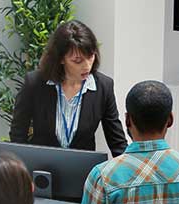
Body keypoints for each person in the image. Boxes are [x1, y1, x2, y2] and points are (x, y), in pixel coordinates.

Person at [9, 20, 127, 157]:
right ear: (60, 59)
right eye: (77, 61)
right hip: (41, 169)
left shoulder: (103, 87)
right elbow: (18, 133)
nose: (87, 66)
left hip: (82, 170)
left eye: (90, 57)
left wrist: (128, 172)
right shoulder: (35, 83)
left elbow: (117, 142)